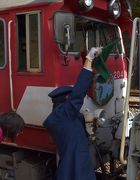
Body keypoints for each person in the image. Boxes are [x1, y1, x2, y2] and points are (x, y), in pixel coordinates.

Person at [43, 47, 102, 180]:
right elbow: (78, 92)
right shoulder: (65, 114)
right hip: (78, 169)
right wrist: (89, 60)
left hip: (70, 167)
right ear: (66, 101)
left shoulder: (59, 117)